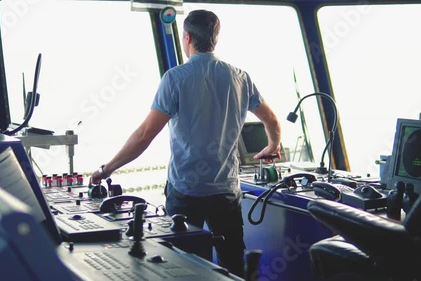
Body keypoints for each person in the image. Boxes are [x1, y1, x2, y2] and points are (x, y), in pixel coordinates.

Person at [90, 9, 281, 277]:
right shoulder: (240, 77)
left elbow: (145, 134)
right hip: (225, 191)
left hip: (186, 191)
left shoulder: (176, 78)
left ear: (187, 37)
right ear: (216, 38)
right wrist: (272, 146)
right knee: (233, 266)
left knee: (179, 269)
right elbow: (271, 119)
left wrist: (106, 169)